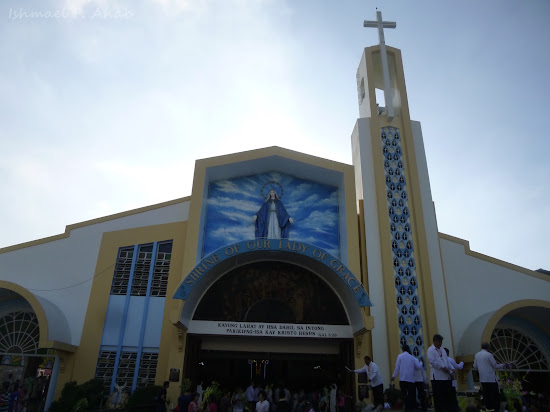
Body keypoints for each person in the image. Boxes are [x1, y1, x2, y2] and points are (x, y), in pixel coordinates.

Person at [474, 342, 507, 412]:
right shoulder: (489, 355)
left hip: (483, 379)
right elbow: (495, 366)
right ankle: (495, 409)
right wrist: (504, 365)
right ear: (488, 348)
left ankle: (488, 408)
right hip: (491, 379)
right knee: (495, 396)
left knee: (486, 395)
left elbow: (475, 366)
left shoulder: (477, 355)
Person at [390, 344, 422, 412]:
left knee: (404, 395)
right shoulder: (412, 357)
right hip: (411, 380)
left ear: (403, 349)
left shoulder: (400, 356)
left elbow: (397, 368)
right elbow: (418, 367)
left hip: (403, 379)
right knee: (411, 396)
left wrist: (393, 376)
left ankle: (406, 408)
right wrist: (421, 362)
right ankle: (411, 408)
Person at [427, 334, 453, 412]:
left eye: (441, 342)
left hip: (445, 377)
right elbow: (432, 361)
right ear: (434, 341)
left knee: (446, 396)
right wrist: (442, 367)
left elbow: (447, 361)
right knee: (438, 397)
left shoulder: (443, 350)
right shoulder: (430, 350)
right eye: (439, 342)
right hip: (437, 377)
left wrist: (452, 368)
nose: (440, 343)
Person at [444, 348, 464, 412]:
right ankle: (455, 407)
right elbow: (459, 367)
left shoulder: (441, 360)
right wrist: (462, 362)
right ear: (447, 353)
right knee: (453, 395)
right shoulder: (450, 360)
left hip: (443, 381)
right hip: (451, 380)